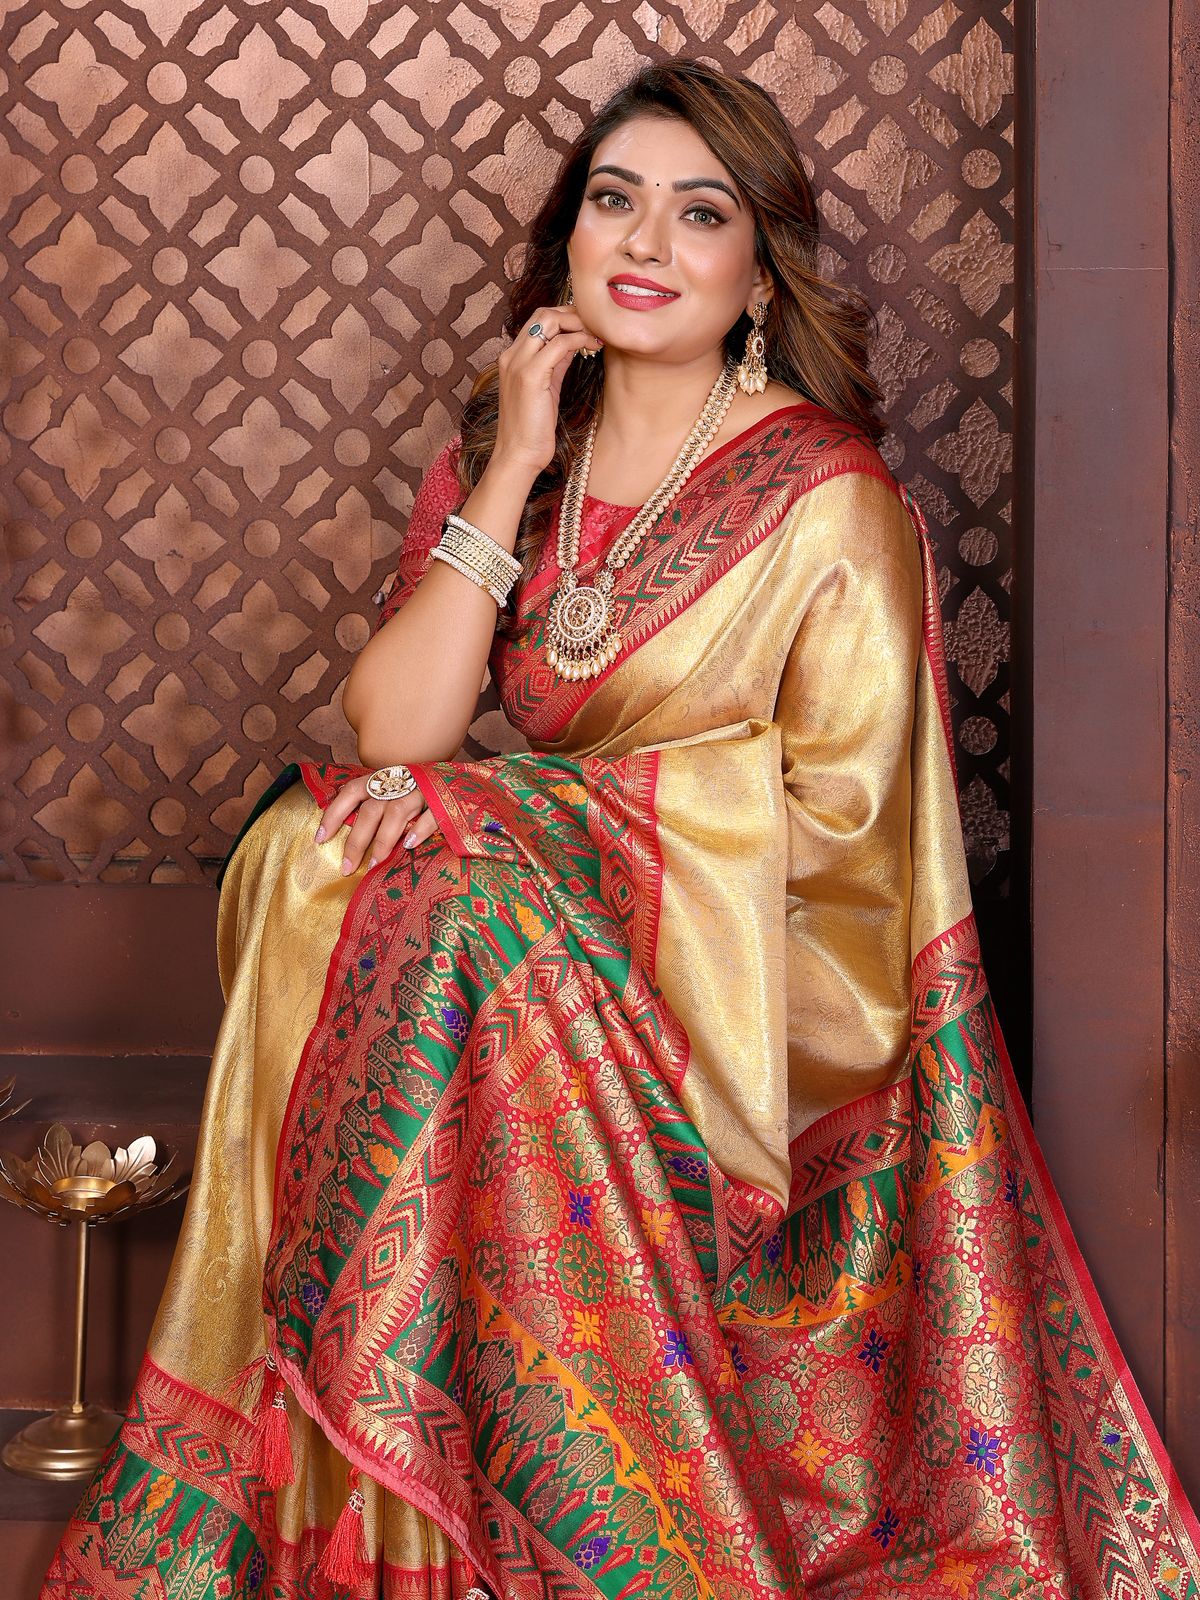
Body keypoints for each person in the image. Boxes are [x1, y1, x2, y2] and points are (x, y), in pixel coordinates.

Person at [41, 58, 1200, 1600]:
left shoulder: (826, 501)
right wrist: (512, 462)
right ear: (568, 241)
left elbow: (845, 848)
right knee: (317, 853)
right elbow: (397, 730)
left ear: (756, 269)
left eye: (698, 213)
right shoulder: (526, 454)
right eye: (614, 200)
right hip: (563, 958)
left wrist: (511, 815)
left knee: (450, 892)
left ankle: (491, 1501)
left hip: (756, 1011)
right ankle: (390, 1501)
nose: (645, 243)